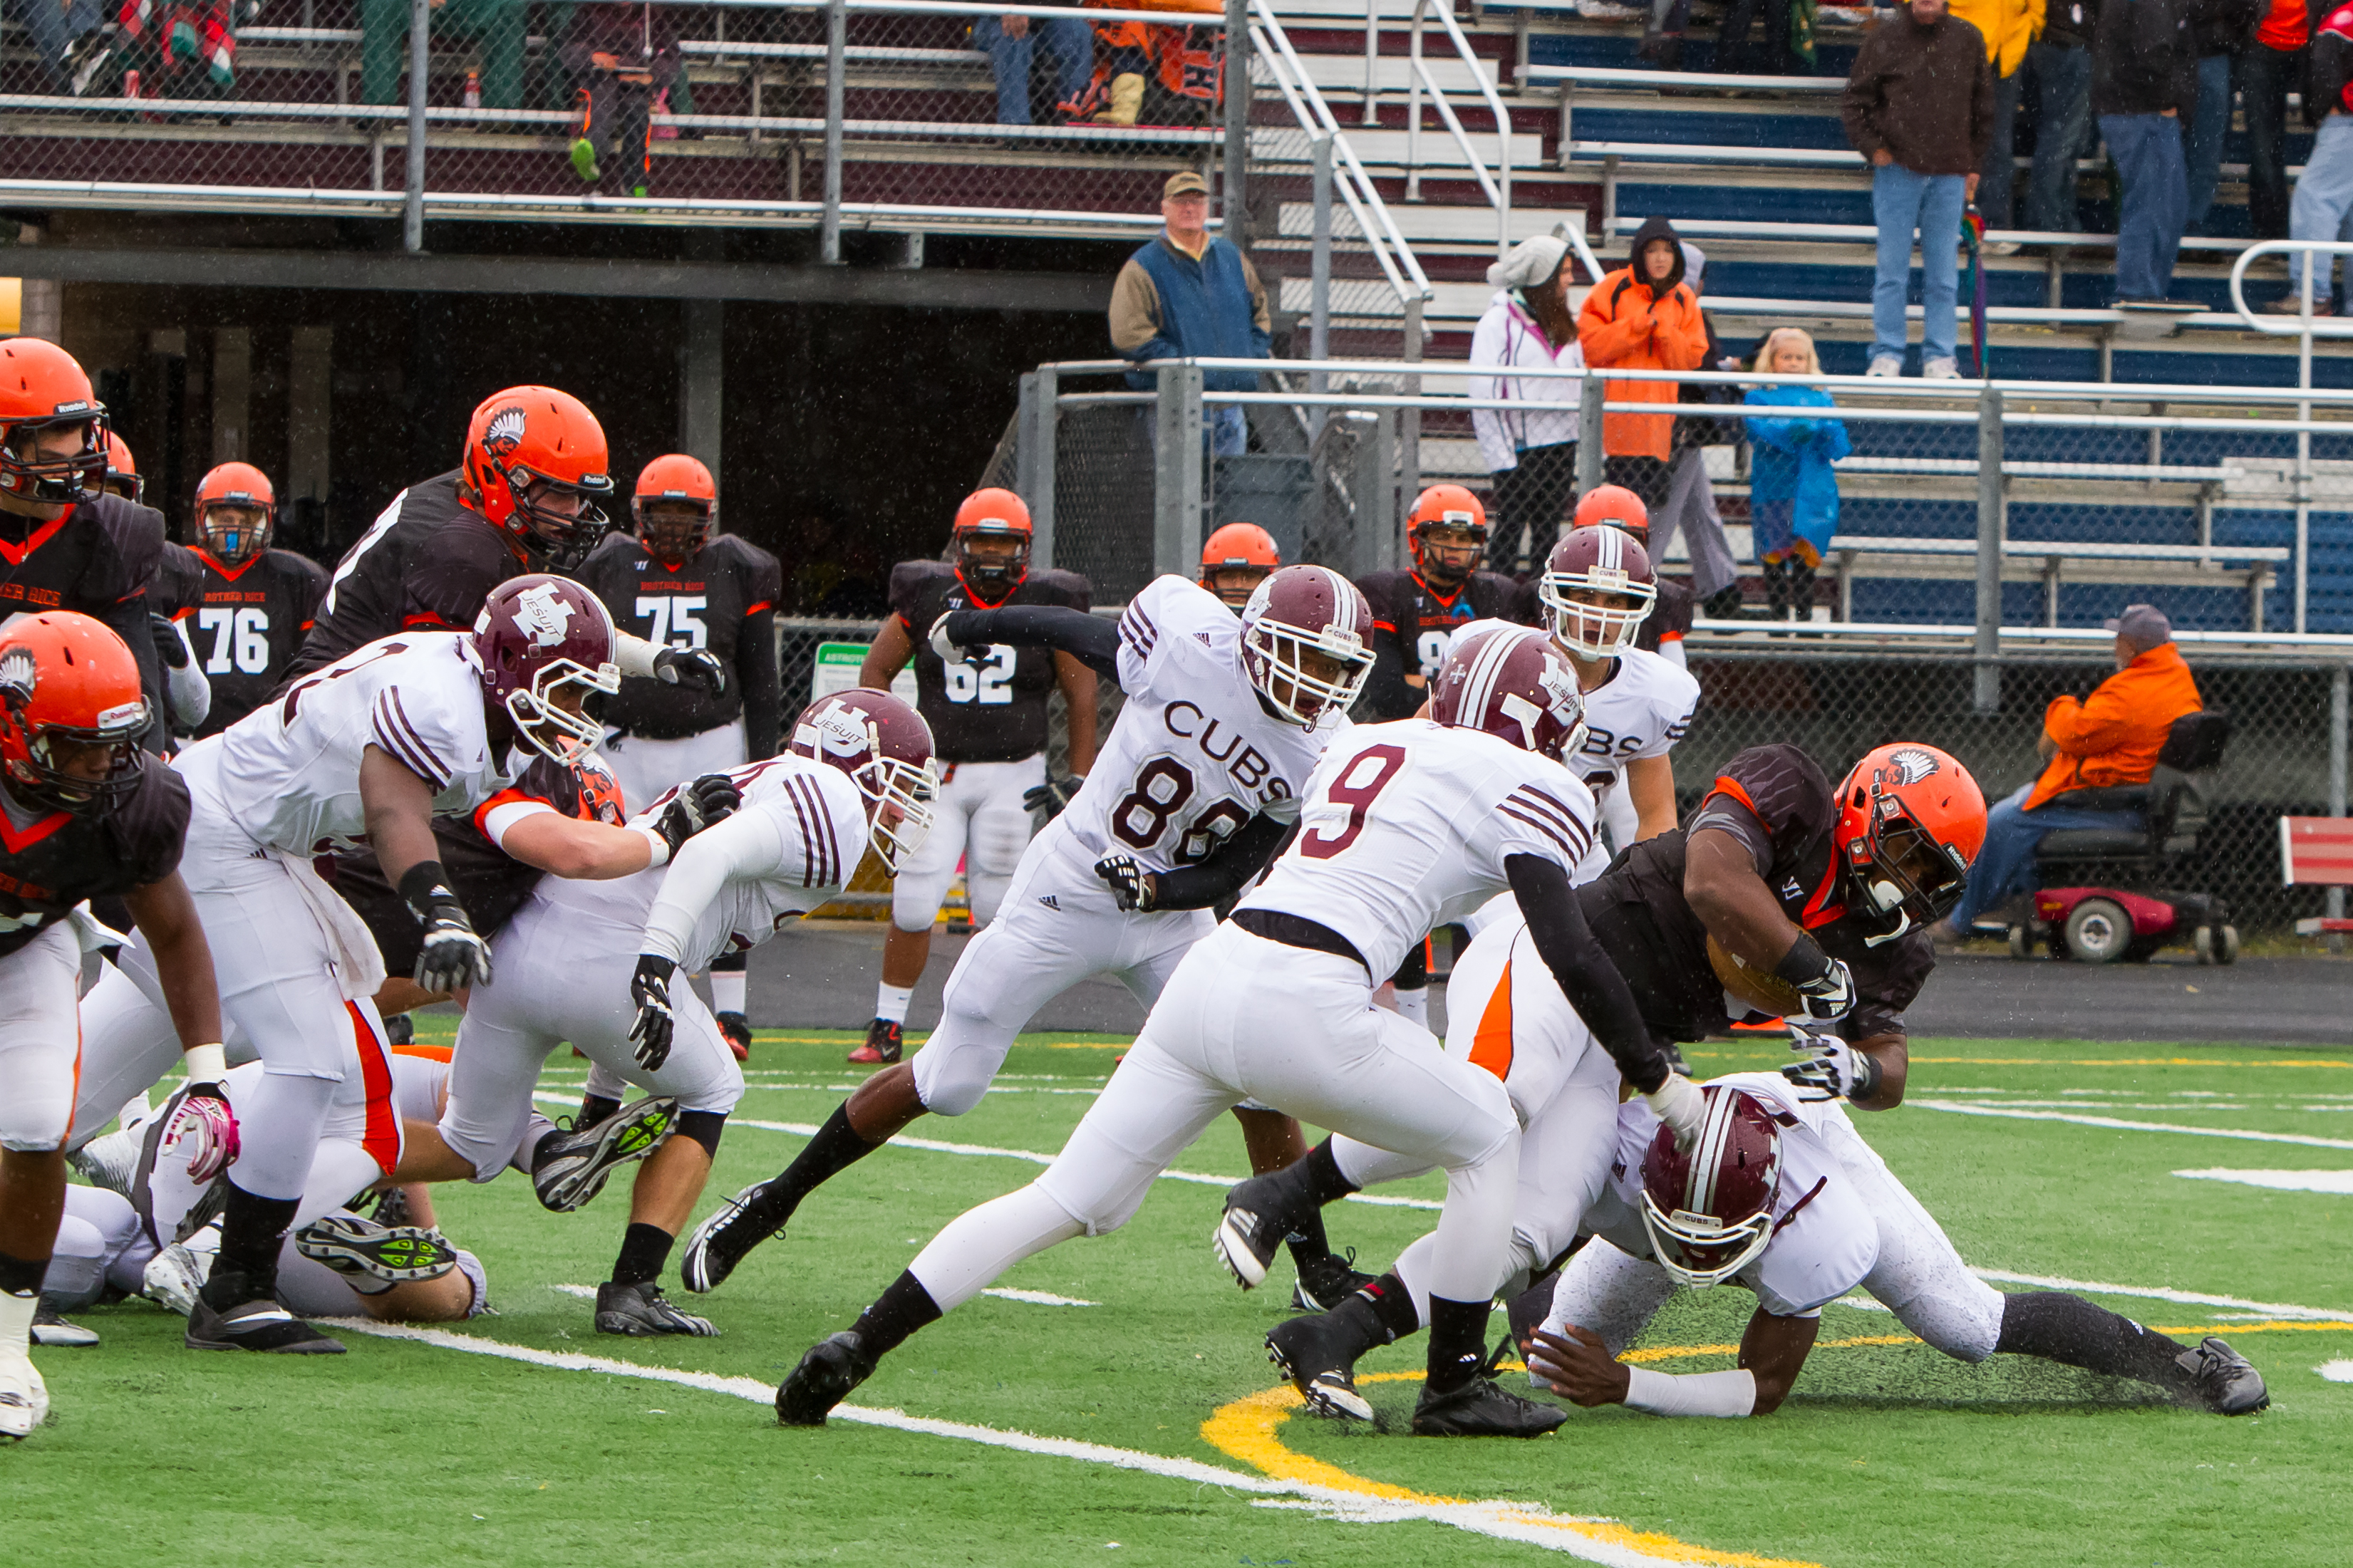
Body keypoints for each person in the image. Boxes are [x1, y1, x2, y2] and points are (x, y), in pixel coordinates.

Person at [774, 624, 1696, 1438]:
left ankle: (859, 1340)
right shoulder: (1534, 780)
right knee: (1489, 1132)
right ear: (1543, 720)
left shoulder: (1366, 741)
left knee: (1066, 1197)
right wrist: (1655, 1078)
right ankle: (1452, 1383)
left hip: (1214, 973)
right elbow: (1568, 948)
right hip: (1311, 996)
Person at [1225, 741, 1990, 1418]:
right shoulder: (1792, 790)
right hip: (1556, 962)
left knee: (1535, 1222)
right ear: (1864, 806)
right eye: (1908, 848)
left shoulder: (1888, 946)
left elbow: (1890, 1061)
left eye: (1932, 872)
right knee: (1494, 1107)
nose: (1910, 879)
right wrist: (1809, 965)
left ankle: (1334, 1335)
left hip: (1617, 1042)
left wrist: (1860, 1070)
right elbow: (1711, 882)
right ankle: (1282, 1193)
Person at [678, 566, 1369, 1307]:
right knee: (948, 1080)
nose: (1319, 682)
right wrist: (971, 625)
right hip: (1069, 884)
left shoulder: (1321, 750)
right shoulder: (1188, 643)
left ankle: (1313, 1268)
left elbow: (1235, 864)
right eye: (1307, 656)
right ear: (1256, 638)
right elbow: (1075, 633)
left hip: (1167, 911)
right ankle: (774, 1199)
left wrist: (1159, 890)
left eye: (1337, 666)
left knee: (1252, 1070)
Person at [133, 575, 635, 1356]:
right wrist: (439, 909)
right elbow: (393, 809)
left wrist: (657, 659)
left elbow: (548, 638)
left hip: (254, 833)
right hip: (229, 833)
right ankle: (231, 1283)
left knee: (104, 1062)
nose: (576, 710)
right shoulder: (439, 702)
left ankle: (162, 1231)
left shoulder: (477, 665)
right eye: (565, 690)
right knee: (313, 1060)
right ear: (512, 667)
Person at [395, 691, 934, 1337]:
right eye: (902, 784)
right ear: (859, 762)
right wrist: (654, 962)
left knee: (469, 1144)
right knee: (714, 1086)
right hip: (616, 959)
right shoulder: (833, 797)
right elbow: (704, 857)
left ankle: (314, 1173)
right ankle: (632, 1287)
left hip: (521, 950)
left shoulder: (763, 779)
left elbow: (654, 893)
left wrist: (600, 1100)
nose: (903, 806)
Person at [1524, 1076, 2267, 1419]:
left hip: (1813, 1155)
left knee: (1964, 1323)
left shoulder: (1823, 1227)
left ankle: (2188, 1362)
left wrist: (1627, 1385)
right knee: (1545, 1361)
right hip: (1669, 1199)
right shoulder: (1603, 1153)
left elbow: (1762, 1390)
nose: (1698, 1264)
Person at [0, 613, 224, 1440]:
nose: (103, 764)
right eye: (77, 745)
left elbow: (176, 931)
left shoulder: (133, 800)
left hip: (27, 945)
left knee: (34, 1124)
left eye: (114, 743)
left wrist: (207, 1076)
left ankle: (7, 1349)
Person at [852, 489, 1095, 1066]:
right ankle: (887, 1024)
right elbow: (875, 672)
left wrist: (1080, 775)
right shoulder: (930, 593)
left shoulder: (1046, 600)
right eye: (982, 541)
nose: (991, 554)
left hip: (1015, 773)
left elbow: (1082, 693)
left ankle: (986, 1024)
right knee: (915, 899)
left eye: (1003, 543)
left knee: (996, 906)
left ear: (1024, 549)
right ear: (960, 545)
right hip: (935, 772)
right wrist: (889, 755)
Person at [284, 385, 725, 702]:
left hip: (360, 705)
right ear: (502, 478)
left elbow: (555, 624)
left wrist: (656, 657)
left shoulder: (471, 496)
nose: (574, 512)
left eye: (581, 495)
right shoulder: (463, 554)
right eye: (560, 492)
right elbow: (533, 659)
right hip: (328, 720)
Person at [579, 454, 781, 1056]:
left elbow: (760, 679)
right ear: (639, 512)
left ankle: (732, 1016)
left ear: (707, 516)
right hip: (624, 743)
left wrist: (765, 757)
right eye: (662, 511)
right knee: (615, 868)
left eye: (684, 512)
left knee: (723, 869)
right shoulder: (606, 564)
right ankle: (602, 1004)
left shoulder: (737, 568)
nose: (672, 524)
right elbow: (584, 654)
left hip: (710, 740)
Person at [60, 1052, 487, 1334]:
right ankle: (363, 1272)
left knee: (119, 1237)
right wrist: (426, 1225)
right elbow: (394, 1143)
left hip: (187, 1133)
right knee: (465, 1278)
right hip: (234, 1189)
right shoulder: (413, 1068)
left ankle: (205, 1238)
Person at [1937, 604, 2203, 934]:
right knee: (2022, 803)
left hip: (2118, 806)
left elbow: (2075, 734)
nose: (2115, 646)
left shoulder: (2134, 691)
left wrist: (2061, 705)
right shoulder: (2176, 678)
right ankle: (2022, 907)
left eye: (2119, 639)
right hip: (2141, 802)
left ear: (2132, 646)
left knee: (2005, 820)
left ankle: (1961, 921)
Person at [0, 338, 172, 752]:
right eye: (50, 454)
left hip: (61, 751)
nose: (73, 472)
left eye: (80, 438)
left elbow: (133, 703)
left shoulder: (113, 537)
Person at [1527, 522, 1699, 879]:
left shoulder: (1651, 692)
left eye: (1614, 601)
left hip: (1577, 854)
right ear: (1557, 597)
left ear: (1635, 608)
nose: (1598, 614)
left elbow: (1656, 817)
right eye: (1585, 597)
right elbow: (1424, 737)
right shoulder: (1502, 658)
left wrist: (1648, 888)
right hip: (1486, 848)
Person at [1843, 0, 1994, 377]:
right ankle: (1887, 353)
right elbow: (1855, 101)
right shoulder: (1884, 38)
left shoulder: (1969, 38)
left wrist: (1974, 164)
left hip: (1951, 173)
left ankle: (1940, 356)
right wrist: (1874, 149)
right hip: (1898, 170)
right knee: (1891, 271)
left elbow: (1983, 107)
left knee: (1943, 275)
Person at [1110, 172, 1273, 459]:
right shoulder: (1142, 267)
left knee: (1230, 485)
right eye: (1181, 201)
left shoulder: (1232, 257)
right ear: (1164, 209)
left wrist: (1249, 356)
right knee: (1178, 486)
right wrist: (1185, 368)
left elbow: (1260, 314)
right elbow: (1128, 335)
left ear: (1208, 207)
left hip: (1231, 407)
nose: (1190, 208)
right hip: (1175, 408)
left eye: (1197, 201)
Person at [172, 462, 329, 740]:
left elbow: (321, 662)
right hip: (190, 735)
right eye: (225, 517)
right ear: (202, 517)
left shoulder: (298, 578)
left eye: (247, 520)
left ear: (267, 520)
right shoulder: (178, 569)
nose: (235, 530)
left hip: (269, 736)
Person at [1357, 485, 1522, 726]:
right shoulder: (1388, 592)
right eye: (1443, 536)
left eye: (1464, 538)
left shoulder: (1495, 593)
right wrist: (1468, 694)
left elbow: (1506, 689)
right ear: (1418, 538)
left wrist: (1420, 684)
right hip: (1406, 729)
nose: (1455, 546)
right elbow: (1389, 694)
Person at [1470, 232, 1586, 576]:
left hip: (1561, 446)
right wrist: (1503, 457)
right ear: (1543, 277)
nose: (1570, 279)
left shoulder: (1564, 318)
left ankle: (1542, 601)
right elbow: (1484, 393)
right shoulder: (1497, 322)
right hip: (1520, 449)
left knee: (1548, 534)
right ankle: (1499, 599)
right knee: (1510, 530)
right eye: (1563, 272)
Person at [1577, 217, 1710, 509]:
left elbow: (1689, 360)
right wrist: (1635, 328)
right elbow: (1590, 346)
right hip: (1616, 428)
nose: (1661, 258)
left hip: (1660, 429)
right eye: (1652, 250)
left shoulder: (1684, 299)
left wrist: (1664, 333)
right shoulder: (1611, 288)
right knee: (1615, 510)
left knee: (1647, 514)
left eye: (1667, 250)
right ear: (1640, 254)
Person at [1510, 485, 1695, 668]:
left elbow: (1674, 672)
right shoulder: (1545, 591)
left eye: (1614, 602)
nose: (1613, 551)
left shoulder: (1662, 598)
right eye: (1585, 598)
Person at [1655, 243, 1745, 618]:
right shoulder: (1682, 311)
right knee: (1663, 511)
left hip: (1679, 424)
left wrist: (1721, 369)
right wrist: (1721, 372)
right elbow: (1692, 366)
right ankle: (1638, 581)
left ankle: (1721, 588)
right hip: (1678, 426)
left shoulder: (1670, 307)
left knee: (1698, 506)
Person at [1742, 327, 1853, 626]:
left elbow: (1837, 440)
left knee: (1806, 558)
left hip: (1813, 488)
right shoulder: (1759, 396)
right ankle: (1778, 621)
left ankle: (1805, 621)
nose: (1793, 363)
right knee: (1775, 554)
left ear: (1809, 361)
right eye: (1786, 357)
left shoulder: (1821, 396)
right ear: (1771, 360)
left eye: (1799, 358)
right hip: (1774, 487)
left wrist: (1824, 432)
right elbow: (1759, 431)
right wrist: (1791, 431)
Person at [2094, 0, 2201, 305]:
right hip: (2143, 111)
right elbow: (2154, 52)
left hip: (2136, 107)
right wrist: (2167, 100)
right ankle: (2139, 291)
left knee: (2163, 205)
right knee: (2154, 204)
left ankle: (2145, 291)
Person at [2273, 2, 2353, 313]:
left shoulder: (2343, 17)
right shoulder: (2339, 14)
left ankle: (2312, 294)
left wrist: (2342, 103)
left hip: (2346, 123)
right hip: (2342, 119)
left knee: (2314, 198)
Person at [559, 2, 688, 195]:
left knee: (638, 111)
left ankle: (634, 183)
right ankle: (591, 154)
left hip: (636, 83)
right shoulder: (590, 11)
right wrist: (592, 57)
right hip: (599, 79)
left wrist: (651, 75)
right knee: (602, 101)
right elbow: (568, 48)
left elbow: (670, 57)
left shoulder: (652, 15)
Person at [1952, 0, 2048, 231]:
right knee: (1949, 139)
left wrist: (2030, 27)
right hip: (1956, 51)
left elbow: (2037, 7)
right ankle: (1945, 224)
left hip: (2006, 55)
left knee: (1998, 144)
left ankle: (1994, 227)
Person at [2235, 0, 2312, 241]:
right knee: (2264, 151)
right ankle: (2273, 234)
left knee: (2336, 140)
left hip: (2315, 45)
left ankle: (2312, 235)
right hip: (2260, 46)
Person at [2024, 0, 2102, 232]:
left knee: (2064, 141)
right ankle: (2047, 222)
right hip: (2069, 43)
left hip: (2051, 41)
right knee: (2061, 142)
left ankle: (2061, 220)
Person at [2185, 0, 2260, 231]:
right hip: (2173, 56)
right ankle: (2178, 223)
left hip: (2214, 55)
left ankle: (2192, 223)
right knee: (2173, 150)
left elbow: (2246, 8)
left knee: (2206, 151)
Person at [971, 11, 1094, 126]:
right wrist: (1010, 7)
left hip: (1042, 19)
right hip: (994, 18)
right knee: (1013, 36)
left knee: (1080, 31)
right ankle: (1016, 127)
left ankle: (1073, 113)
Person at [1198, 521, 1280, 606]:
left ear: (1267, 578)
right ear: (1211, 578)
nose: (1238, 586)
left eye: (1249, 576)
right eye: (1228, 576)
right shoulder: (1193, 610)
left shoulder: (1284, 612)